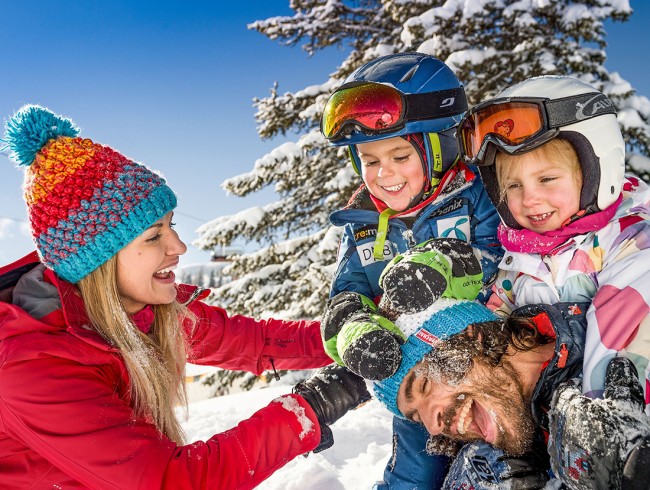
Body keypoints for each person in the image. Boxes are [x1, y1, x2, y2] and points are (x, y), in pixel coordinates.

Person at [0, 105, 370, 489]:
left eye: (170, 225)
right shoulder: (32, 368)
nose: (178, 245)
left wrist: (356, 334)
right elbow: (173, 481)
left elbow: (256, 342)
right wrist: (309, 409)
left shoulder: (144, 312)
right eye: (153, 236)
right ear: (98, 260)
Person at [319, 52, 503, 489]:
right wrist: (354, 329)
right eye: (369, 160)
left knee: (500, 459)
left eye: (400, 155)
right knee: (412, 476)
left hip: (486, 366)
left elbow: (503, 257)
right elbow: (345, 297)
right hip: (416, 381)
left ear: (439, 146)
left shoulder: (474, 195)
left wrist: (443, 264)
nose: (384, 175)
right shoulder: (361, 225)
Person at [371, 252, 650, 489]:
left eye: (424, 386)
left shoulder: (625, 344)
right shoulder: (488, 466)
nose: (434, 427)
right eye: (417, 417)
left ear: (471, 337)